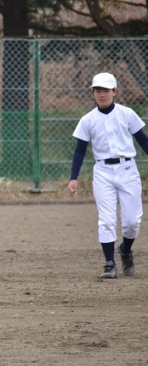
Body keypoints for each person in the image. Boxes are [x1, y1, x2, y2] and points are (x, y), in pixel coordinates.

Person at [68, 72, 148, 278]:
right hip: (103, 171)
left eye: (105, 90)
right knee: (106, 220)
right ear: (93, 93)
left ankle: (125, 250)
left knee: (132, 222)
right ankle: (110, 264)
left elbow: (142, 139)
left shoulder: (127, 114)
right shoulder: (88, 120)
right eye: (97, 90)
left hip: (127, 169)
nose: (101, 94)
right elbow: (79, 150)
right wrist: (73, 177)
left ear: (114, 92)